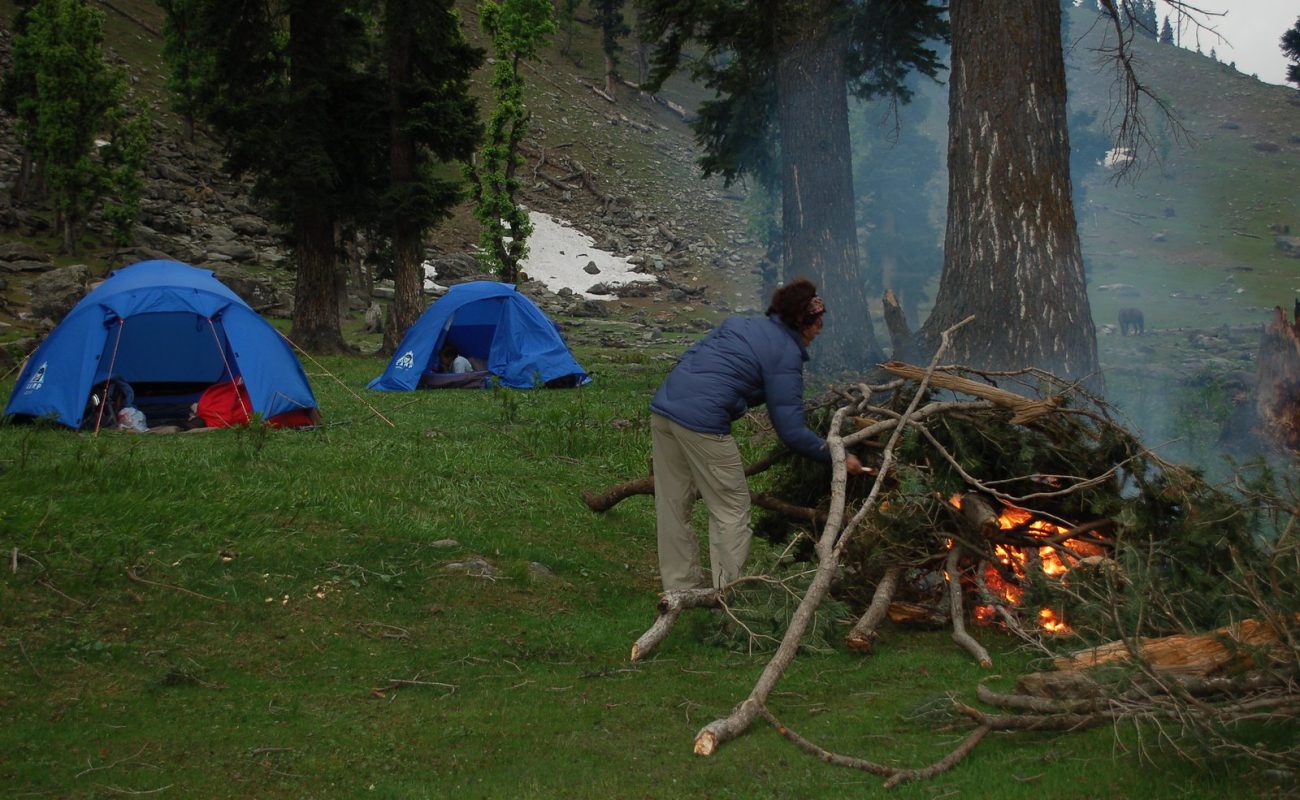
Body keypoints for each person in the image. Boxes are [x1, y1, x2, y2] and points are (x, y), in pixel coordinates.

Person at [649, 277, 870, 593]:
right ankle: (730, 598)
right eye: (816, 322)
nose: (820, 329)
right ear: (800, 322)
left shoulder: (741, 324)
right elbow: (791, 431)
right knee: (731, 509)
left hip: (665, 408)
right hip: (703, 423)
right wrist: (836, 454)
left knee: (672, 504)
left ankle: (679, 588)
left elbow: (693, 357)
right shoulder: (784, 354)